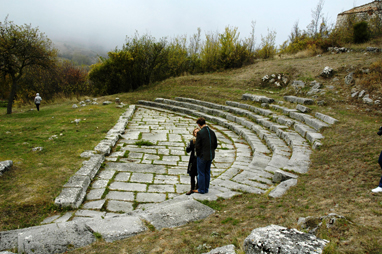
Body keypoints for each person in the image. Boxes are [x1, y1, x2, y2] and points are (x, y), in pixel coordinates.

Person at [193, 117, 217, 194]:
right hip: (210, 155)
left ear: (199, 124)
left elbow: (198, 146)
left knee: (201, 173)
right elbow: (215, 144)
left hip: (202, 156)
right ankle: (206, 188)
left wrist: (199, 154)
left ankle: (201, 189)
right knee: (207, 172)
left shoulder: (200, 133)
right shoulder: (212, 132)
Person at [185, 128, 199, 195]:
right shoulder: (192, 141)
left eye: (198, 132)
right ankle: (192, 189)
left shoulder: (203, 141)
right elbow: (188, 150)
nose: (196, 133)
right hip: (193, 160)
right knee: (192, 174)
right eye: (195, 132)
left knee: (199, 174)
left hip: (200, 159)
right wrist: (189, 145)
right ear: (193, 134)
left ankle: (197, 187)